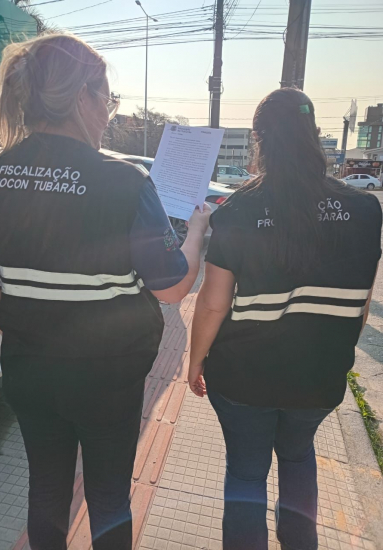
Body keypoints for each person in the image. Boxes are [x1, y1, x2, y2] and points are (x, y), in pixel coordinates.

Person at [0, 34, 210, 550]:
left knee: (46, 489)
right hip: (109, 377)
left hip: (29, 371)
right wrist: (195, 234)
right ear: (82, 97)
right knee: (108, 496)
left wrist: (18, 329)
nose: (108, 113)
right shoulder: (123, 182)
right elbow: (173, 288)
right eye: (108, 99)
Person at [188, 87, 382, 550]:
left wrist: (194, 361)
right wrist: (334, 355)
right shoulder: (365, 210)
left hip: (243, 377)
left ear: (259, 139)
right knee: (297, 458)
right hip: (318, 378)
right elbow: (359, 305)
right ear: (313, 133)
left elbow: (213, 304)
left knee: (246, 473)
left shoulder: (238, 210)